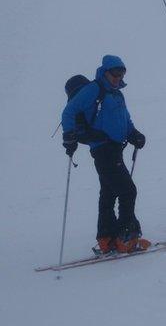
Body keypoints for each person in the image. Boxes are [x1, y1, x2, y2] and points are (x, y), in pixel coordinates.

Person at [61, 55, 148, 254]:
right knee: (127, 191)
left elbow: (124, 119)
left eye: (122, 73)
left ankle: (106, 238)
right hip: (102, 149)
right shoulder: (94, 89)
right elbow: (69, 111)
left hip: (115, 149)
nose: (118, 77)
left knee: (108, 193)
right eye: (115, 73)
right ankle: (126, 238)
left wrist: (134, 134)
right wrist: (68, 134)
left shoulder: (117, 94)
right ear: (105, 72)